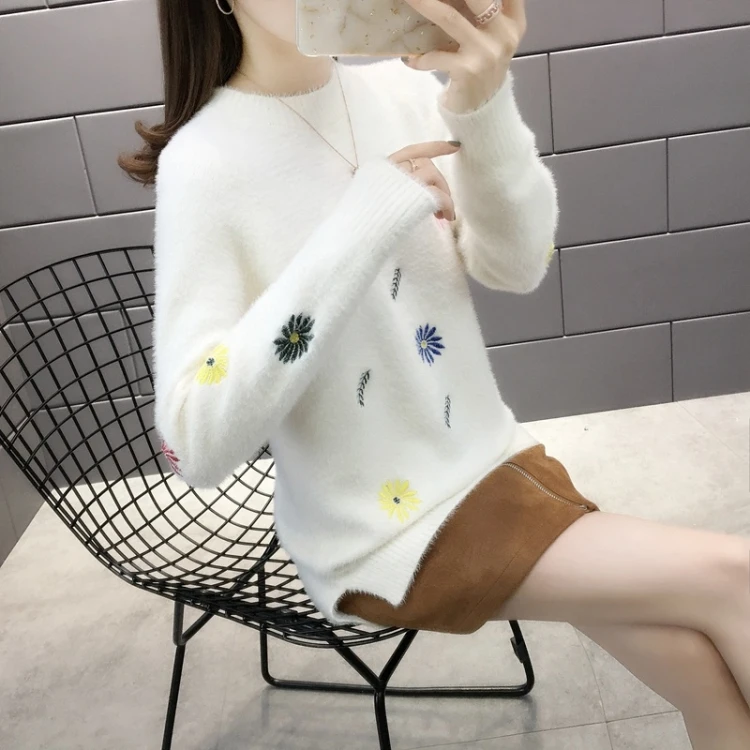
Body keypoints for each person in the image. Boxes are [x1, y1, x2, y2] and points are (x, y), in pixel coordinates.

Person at [120, 1, 750, 746]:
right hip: (376, 532)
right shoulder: (206, 161)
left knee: (699, 665)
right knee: (735, 579)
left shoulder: (401, 90)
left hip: (496, 462)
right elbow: (193, 442)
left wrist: (484, 100)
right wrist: (362, 221)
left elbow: (517, 266)